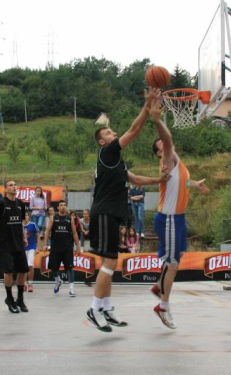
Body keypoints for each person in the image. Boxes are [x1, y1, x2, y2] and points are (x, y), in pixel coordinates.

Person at [86, 87, 170, 333]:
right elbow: (134, 130)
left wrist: (159, 181)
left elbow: (136, 180)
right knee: (109, 262)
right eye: (110, 132)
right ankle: (94, 308)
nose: (114, 133)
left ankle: (107, 307)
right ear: (103, 141)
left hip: (111, 214)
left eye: (113, 131)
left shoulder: (116, 162)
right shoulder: (108, 152)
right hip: (104, 213)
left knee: (110, 262)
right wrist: (147, 106)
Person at [149, 100, 211, 330]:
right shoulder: (167, 160)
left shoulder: (178, 165)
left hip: (177, 218)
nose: (166, 145)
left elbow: (182, 182)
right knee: (173, 263)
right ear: (159, 152)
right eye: (162, 145)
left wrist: (195, 185)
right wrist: (156, 120)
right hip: (169, 219)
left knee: (179, 255)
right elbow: (167, 140)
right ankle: (163, 307)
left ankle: (158, 287)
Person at [0, 180, 29, 314]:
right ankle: (10, 298)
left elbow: (21, 223)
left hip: (18, 242)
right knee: (9, 271)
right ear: (5, 189)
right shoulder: (1, 203)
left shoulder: (20, 204)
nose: (14, 187)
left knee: (23, 270)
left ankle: (20, 299)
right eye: (11, 185)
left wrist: (24, 237)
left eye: (15, 185)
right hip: (4, 243)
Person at [43, 200, 81, 297]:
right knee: (53, 268)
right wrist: (45, 244)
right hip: (55, 247)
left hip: (67, 248)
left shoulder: (70, 218)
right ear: (58, 208)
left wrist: (78, 247)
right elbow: (47, 231)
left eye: (64, 205)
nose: (63, 207)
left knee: (70, 268)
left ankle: (71, 289)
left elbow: (75, 233)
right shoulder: (53, 218)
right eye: (61, 205)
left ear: (66, 207)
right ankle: (58, 281)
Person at [23, 211, 40, 292]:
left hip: (31, 247)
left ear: (29, 216)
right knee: (23, 266)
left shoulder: (32, 224)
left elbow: (37, 235)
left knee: (30, 264)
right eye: (24, 215)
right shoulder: (19, 225)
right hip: (22, 248)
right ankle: (23, 284)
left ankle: (30, 284)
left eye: (26, 215)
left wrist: (38, 247)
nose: (25, 216)